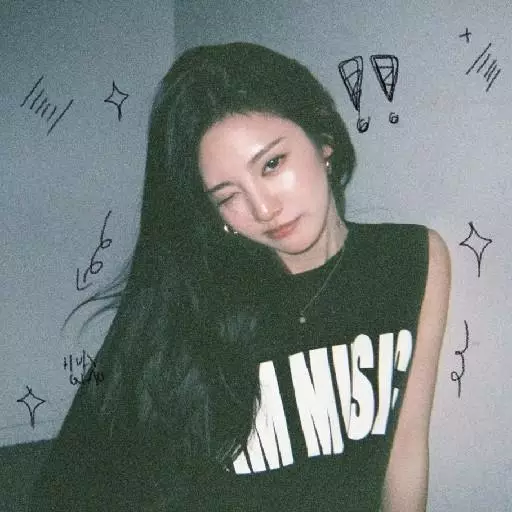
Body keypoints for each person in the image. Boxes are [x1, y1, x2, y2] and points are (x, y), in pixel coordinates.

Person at [30, 42, 450, 511]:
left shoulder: (413, 258)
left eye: (272, 164)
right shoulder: (189, 296)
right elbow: (77, 477)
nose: (263, 209)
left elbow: (406, 446)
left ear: (323, 141)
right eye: (228, 195)